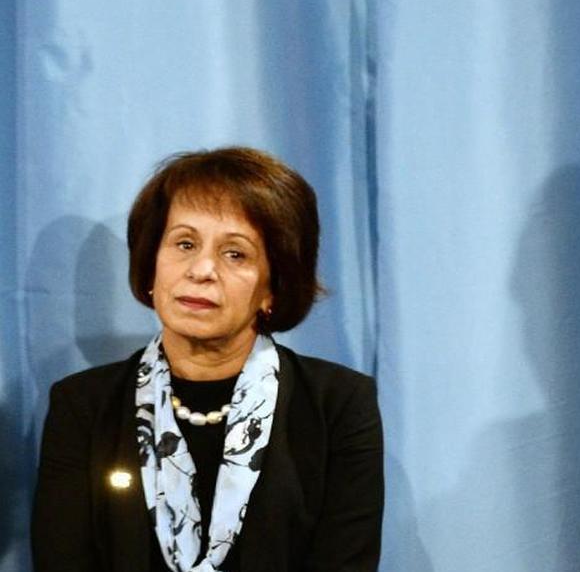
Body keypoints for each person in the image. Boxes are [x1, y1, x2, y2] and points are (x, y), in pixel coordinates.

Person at [32, 147, 384, 571]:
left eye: (235, 253)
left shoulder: (339, 405)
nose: (201, 270)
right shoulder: (83, 406)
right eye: (184, 243)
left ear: (273, 287)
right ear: (151, 266)